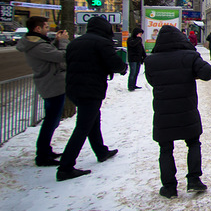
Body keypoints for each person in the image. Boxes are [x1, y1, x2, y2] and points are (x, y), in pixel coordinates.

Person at [144, 25, 211, 198]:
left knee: (166, 149)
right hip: (186, 108)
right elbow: (208, 73)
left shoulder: (151, 60)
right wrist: (192, 74)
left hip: (163, 110)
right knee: (193, 143)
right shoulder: (190, 56)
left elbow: (152, 81)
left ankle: (169, 187)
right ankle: (194, 180)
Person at [57, 16, 127, 181]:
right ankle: (65, 167)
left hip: (74, 88)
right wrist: (123, 67)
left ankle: (101, 151)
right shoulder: (102, 43)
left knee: (93, 120)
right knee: (83, 127)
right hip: (91, 89)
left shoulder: (75, 42)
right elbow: (114, 63)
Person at [16, 16, 69, 166]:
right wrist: (63, 42)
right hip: (52, 85)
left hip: (51, 84)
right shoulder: (38, 46)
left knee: (52, 120)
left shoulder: (37, 44)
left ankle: (45, 150)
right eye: (46, 27)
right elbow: (61, 56)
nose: (48, 29)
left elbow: (50, 52)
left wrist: (57, 41)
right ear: (37, 29)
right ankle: (42, 155)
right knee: (51, 121)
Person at [126, 27, 145, 91]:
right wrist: (138, 39)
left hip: (138, 58)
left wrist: (144, 56)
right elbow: (132, 44)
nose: (140, 35)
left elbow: (141, 49)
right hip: (132, 58)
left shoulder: (139, 40)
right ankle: (130, 86)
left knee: (136, 72)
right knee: (133, 72)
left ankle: (134, 84)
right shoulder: (131, 39)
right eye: (139, 34)